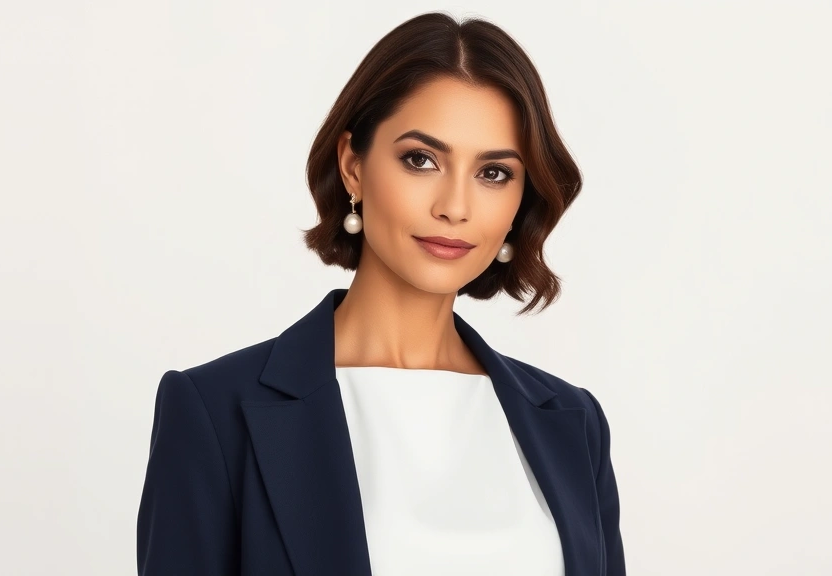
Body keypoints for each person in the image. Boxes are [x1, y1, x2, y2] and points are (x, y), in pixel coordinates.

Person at [136, 11, 625, 576]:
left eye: (493, 173)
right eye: (421, 160)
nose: (455, 206)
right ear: (353, 166)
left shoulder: (572, 422)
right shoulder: (214, 413)